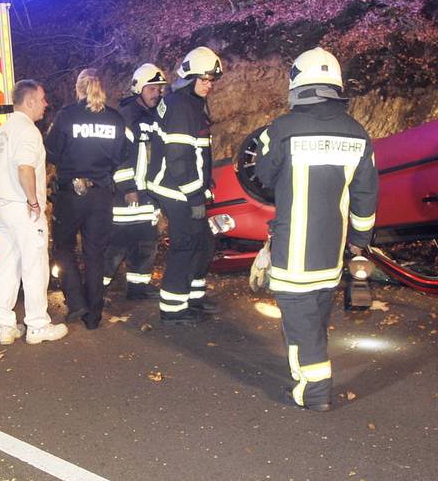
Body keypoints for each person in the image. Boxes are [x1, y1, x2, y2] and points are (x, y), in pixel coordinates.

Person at [252, 47, 378, 411]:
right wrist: (359, 241)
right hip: (332, 253)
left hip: (293, 251)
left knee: (301, 324)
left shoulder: (282, 129)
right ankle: (315, 376)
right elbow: (366, 195)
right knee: (317, 315)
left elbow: (262, 174)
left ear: (297, 84)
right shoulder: (357, 133)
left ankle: (315, 390)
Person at [0, 79, 68, 345]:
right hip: (23, 208)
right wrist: (32, 201)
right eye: (42, 99)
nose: (45, 104)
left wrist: (4, 191)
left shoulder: (2, 131)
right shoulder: (29, 132)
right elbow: (25, 168)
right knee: (34, 265)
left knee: (7, 264)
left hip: (2, 206)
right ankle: (37, 326)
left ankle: (6, 326)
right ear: (29, 100)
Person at [45, 69, 130, 330]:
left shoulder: (67, 116)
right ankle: (94, 315)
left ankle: (76, 300)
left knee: (63, 248)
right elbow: (123, 154)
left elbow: (52, 151)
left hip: (71, 194)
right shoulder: (115, 119)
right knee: (95, 255)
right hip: (102, 194)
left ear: (79, 88)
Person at [146, 46, 223, 325]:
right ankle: (173, 309)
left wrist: (204, 184)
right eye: (204, 80)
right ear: (190, 78)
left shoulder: (189, 102)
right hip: (175, 189)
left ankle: (193, 298)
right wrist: (194, 198)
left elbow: (197, 151)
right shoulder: (181, 106)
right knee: (185, 244)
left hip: (184, 187)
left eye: (211, 80)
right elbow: (178, 160)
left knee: (203, 241)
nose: (208, 85)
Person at [104, 63, 167, 300]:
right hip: (126, 196)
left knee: (146, 243)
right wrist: (128, 188)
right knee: (116, 245)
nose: (157, 93)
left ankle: (138, 289)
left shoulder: (156, 117)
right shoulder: (127, 117)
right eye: (152, 88)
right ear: (139, 88)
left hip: (149, 194)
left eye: (160, 89)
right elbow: (118, 157)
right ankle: (97, 289)